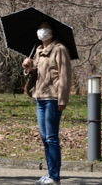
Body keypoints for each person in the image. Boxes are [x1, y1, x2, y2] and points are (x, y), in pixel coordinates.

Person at [22, 21, 73, 185]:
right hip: (40, 97)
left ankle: (54, 176)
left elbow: (65, 75)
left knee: (51, 138)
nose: (42, 30)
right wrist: (28, 68)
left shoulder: (60, 49)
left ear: (52, 32)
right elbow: (36, 74)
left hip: (53, 98)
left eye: (46, 27)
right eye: (40, 28)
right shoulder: (37, 50)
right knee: (44, 138)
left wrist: (62, 99)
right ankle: (50, 173)